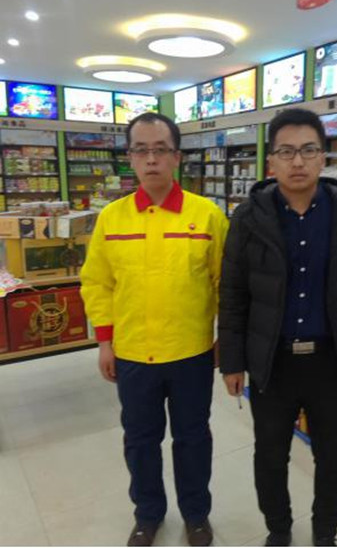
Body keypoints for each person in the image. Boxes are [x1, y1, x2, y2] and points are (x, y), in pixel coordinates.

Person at [218, 108, 337, 547]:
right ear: (270, 161)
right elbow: (233, 294)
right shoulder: (248, 218)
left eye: (308, 150)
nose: (297, 161)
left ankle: (325, 534)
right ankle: (279, 530)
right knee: (270, 455)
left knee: (332, 456)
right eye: (286, 152)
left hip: (331, 360)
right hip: (272, 362)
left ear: (323, 157)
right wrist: (231, 361)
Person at [81, 112, 228, 547]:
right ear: (129, 157)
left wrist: (226, 338)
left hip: (192, 353)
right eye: (141, 150)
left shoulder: (207, 216)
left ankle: (196, 515)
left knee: (193, 439)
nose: (151, 159)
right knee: (140, 441)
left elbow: (226, 283)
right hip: (132, 354)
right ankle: (147, 514)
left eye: (160, 150)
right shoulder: (112, 218)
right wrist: (105, 342)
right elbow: (97, 283)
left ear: (177, 157)